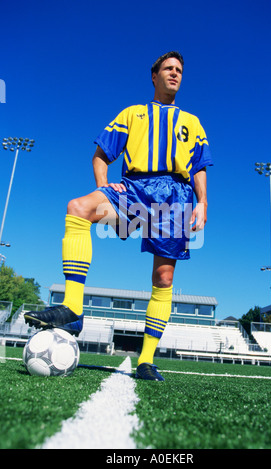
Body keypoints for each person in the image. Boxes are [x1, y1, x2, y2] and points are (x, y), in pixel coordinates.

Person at [25, 51, 213, 381]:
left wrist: (202, 202)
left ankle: (145, 360)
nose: (175, 74)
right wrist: (104, 185)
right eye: (168, 69)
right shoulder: (132, 114)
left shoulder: (193, 122)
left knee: (164, 279)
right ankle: (73, 310)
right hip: (135, 188)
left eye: (179, 70)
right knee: (78, 208)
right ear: (154, 76)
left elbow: (198, 166)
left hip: (175, 196)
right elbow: (100, 155)